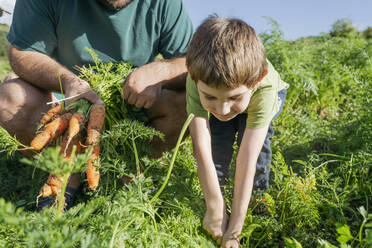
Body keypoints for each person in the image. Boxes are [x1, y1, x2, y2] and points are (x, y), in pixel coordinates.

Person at [0, 0, 193, 209]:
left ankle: (128, 170)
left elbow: (195, 62)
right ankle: (66, 170)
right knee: (9, 99)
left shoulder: (164, 4)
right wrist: (69, 82)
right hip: (65, 104)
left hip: (132, 113)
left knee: (189, 101)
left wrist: (162, 72)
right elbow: (22, 51)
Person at [186, 16, 288, 247]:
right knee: (216, 145)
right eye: (209, 96)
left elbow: (246, 160)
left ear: (255, 81)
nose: (222, 109)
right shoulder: (197, 79)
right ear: (193, 76)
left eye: (234, 97)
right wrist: (214, 208)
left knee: (255, 149)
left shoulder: (265, 88)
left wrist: (234, 233)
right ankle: (219, 202)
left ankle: (259, 198)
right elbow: (200, 146)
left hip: (263, 99)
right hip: (239, 94)